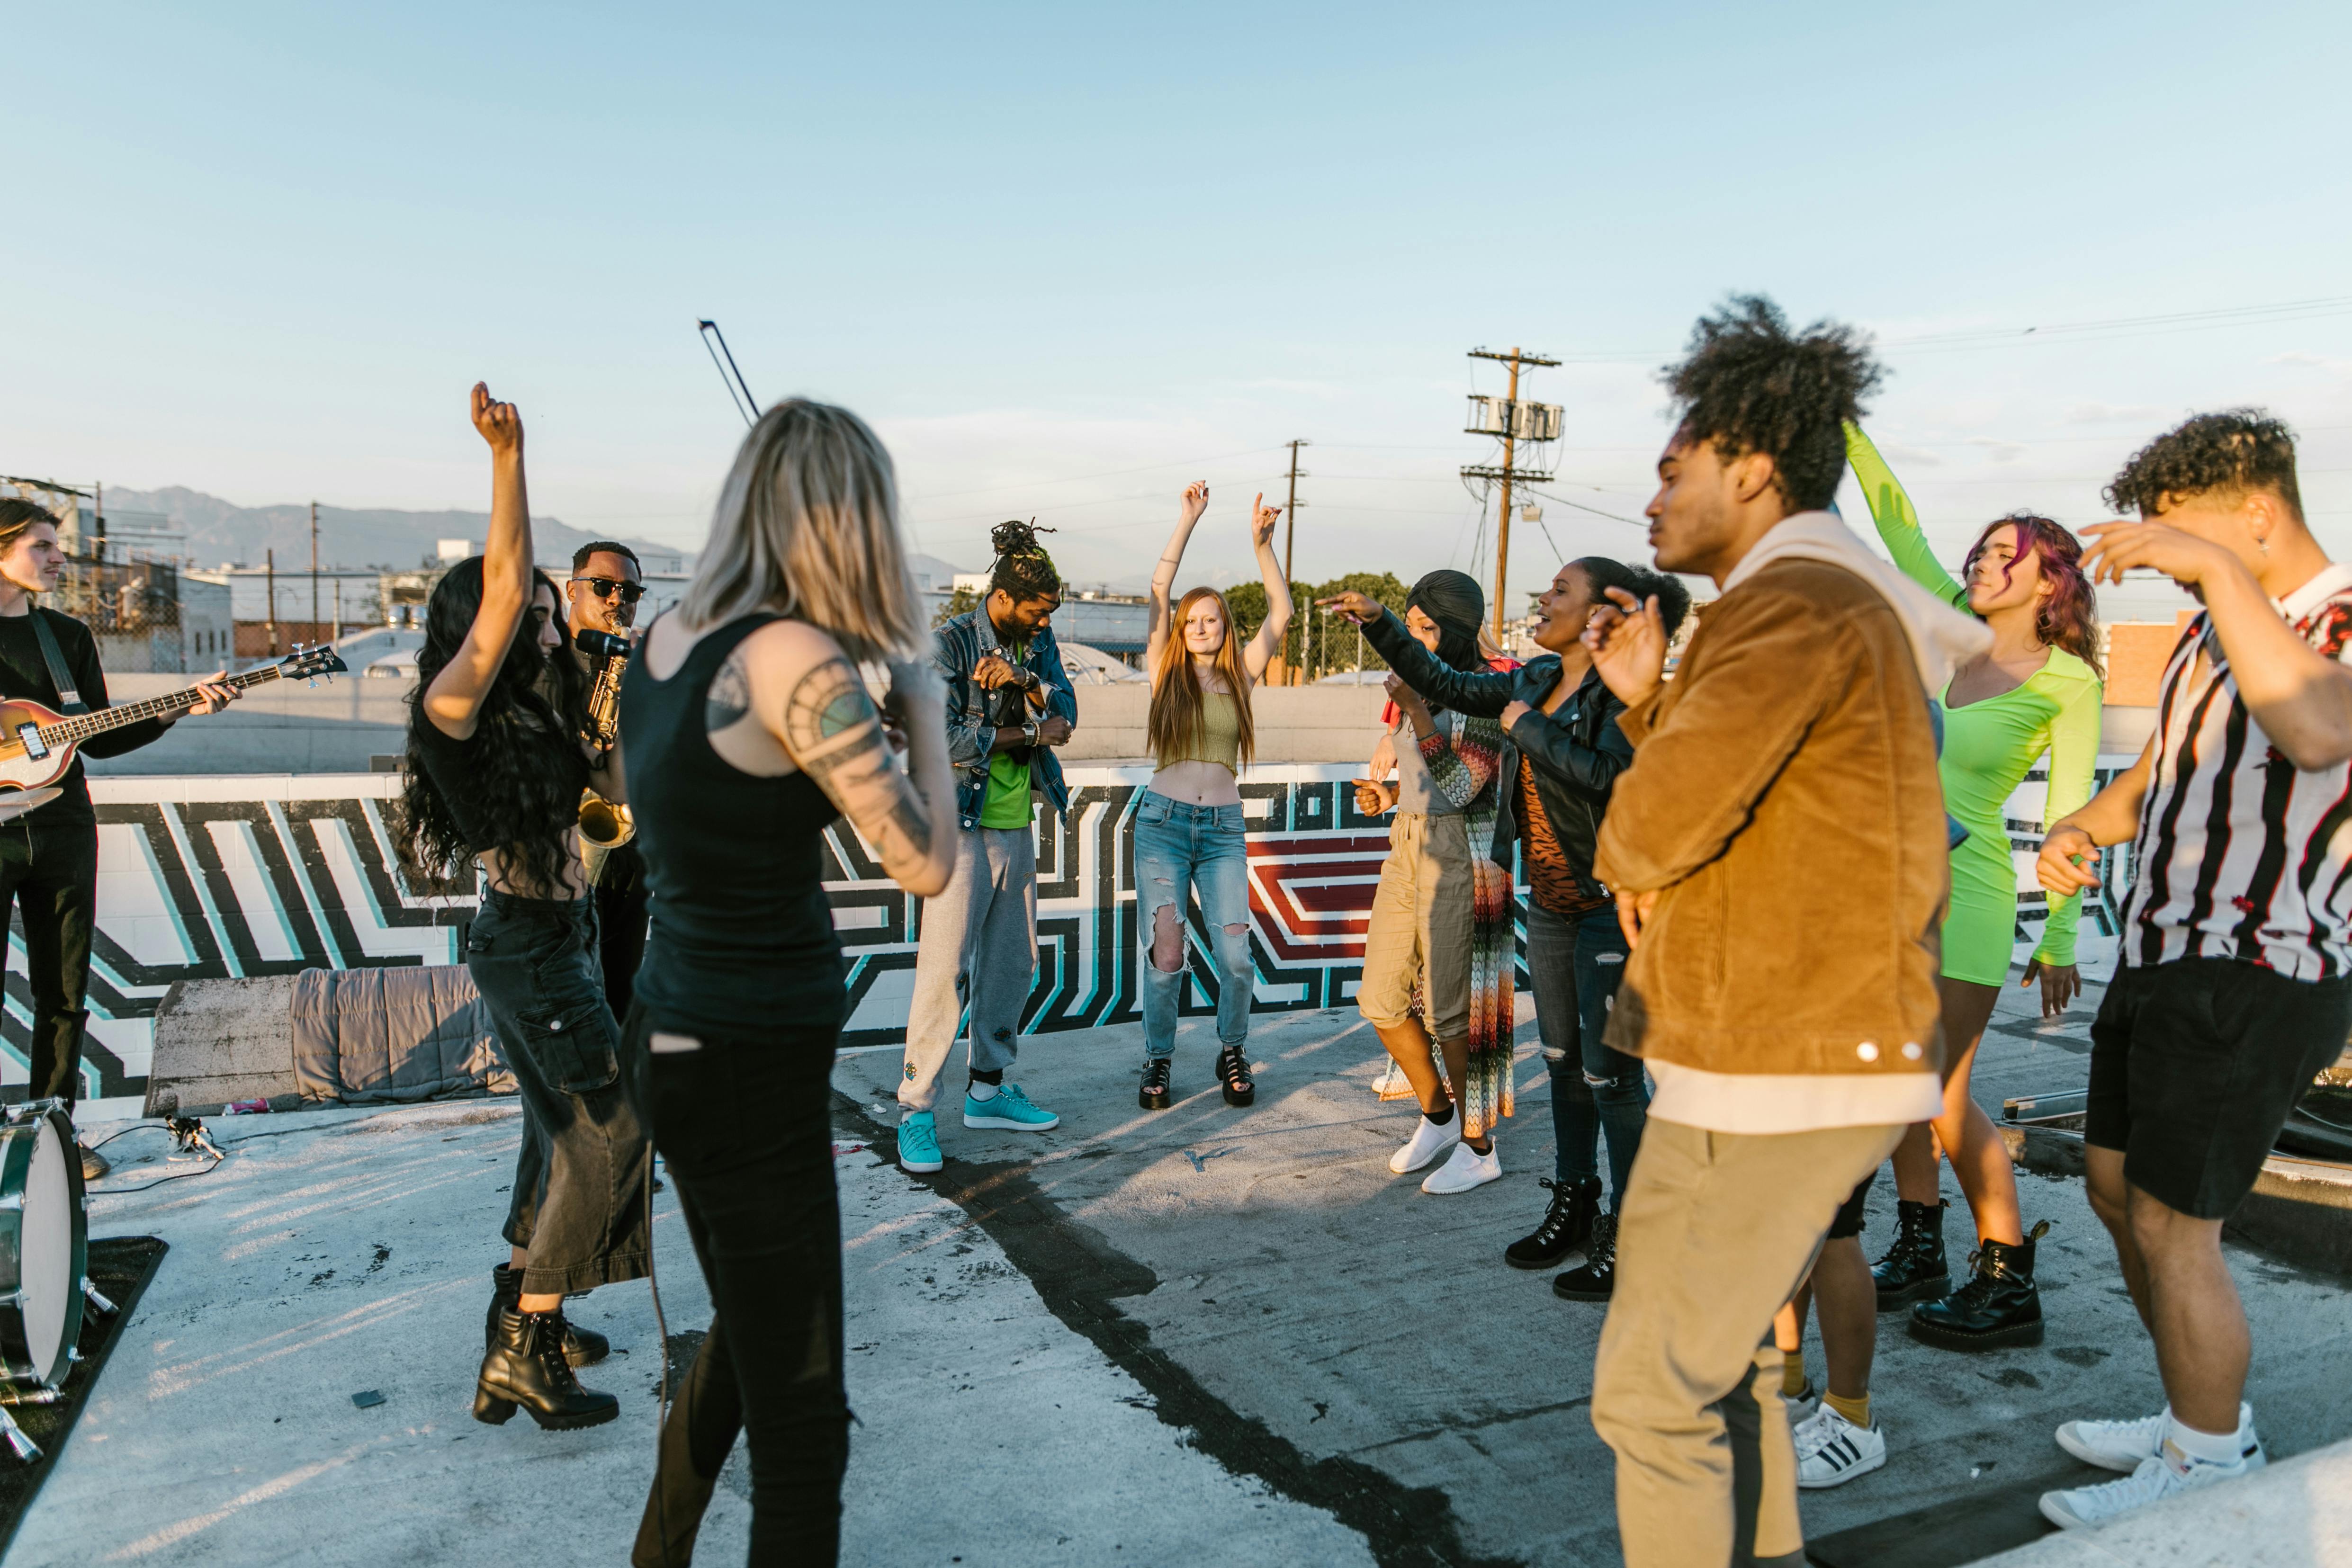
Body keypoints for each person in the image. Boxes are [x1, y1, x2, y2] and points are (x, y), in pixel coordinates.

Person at [1580, 296, 1989, 1567]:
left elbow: (1647, 833)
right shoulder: (1789, 604)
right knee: (1732, 1376)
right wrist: (1655, 707)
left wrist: (1644, 760)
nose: (1646, 502)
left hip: (1786, 1065)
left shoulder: (1790, 605)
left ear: (1750, 466)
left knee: (1650, 1396)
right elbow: (1727, 815)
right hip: (1739, 1057)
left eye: (1669, 467)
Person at [613, 398, 955, 1566]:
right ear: (850, 518)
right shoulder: (799, 663)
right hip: (749, 1063)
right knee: (805, 1421)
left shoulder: (665, 637)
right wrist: (924, 709)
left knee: (749, 1344)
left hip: (674, 1036)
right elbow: (924, 862)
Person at [2030, 411, 2352, 1531]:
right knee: (2119, 1195)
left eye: (2178, 532)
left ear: (2254, 516)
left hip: (2258, 964)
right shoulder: (2209, 630)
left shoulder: (2334, 618)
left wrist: (2214, 572)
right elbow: (2163, 778)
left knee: (2177, 1223)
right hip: (2161, 952)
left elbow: (2316, 732)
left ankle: (2209, 1458)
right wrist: (2085, 820)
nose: (2156, 555)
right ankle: (2192, 1411)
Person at [1329, 558, 1690, 1295]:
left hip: (1610, 902)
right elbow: (1449, 686)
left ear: (1599, 618)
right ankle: (1574, 1202)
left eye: (1560, 591)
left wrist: (1527, 726)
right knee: (1561, 1060)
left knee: (1613, 1079)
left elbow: (1607, 776)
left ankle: (1637, 1232)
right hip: (1553, 904)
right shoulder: (1529, 679)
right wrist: (1378, 622)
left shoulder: (1624, 694)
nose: (1542, 598)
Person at [398, 385, 650, 1433]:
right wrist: (510, 458)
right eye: (533, 618)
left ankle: (526, 1310)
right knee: (613, 1128)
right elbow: (507, 590)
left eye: (555, 619)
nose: (549, 629)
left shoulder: (535, 715)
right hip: (530, 945)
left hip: (565, 935)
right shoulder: (450, 707)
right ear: (477, 629)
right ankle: (524, 1341)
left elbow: (611, 813)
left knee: (554, 1138)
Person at [1845, 424, 2105, 1349]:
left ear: (2050, 582)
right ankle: (1919, 1243)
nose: (1984, 561)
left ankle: (2007, 1275)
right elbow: (1893, 518)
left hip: (1968, 894)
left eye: (2009, 553)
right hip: (1883, 887)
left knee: (1939, 1089)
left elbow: (2071, 818)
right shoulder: (1945, 617)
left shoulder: (2067, 683)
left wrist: (2061, 936)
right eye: (1983, 549)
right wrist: (1835, 415)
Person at [0, 498, 240, 1180]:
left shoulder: (65, 636)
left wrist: (179, 707)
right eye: (42, 545)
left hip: (64, 827)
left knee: (65, 989)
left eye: (57, 545)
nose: (57, 557)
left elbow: (97, 739)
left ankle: (54, 1129)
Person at [895, 519, 1077, 1174]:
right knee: (944, 970)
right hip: (957, 824)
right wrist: (1030, 733)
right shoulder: (947, 644)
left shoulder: (1039, 643)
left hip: (1013, 823)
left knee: (1013, 960)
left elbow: (1068, 714)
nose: (1044, 621)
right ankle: (916, 1108)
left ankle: (987, 1090)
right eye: (1037, 609)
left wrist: (1026, 687)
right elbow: (936, 740)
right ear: (1003, 597)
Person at [1344, 571, 1517, 1195]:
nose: (1414, 640)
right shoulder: (1418, 686)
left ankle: (1479, 1146)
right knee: (1380, 998)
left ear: (1456, 629)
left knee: (1451, 1014)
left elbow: (1462, 788)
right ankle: (1438, 1116)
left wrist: (1417, 710)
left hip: (1460, 858)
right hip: (1408, 845)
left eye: (1425, 628)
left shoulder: (1487, 694)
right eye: (1409, 627)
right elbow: (1422, 782)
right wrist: (1387, 794)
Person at [1134, 483, 1291, 1109]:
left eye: (1211, 619)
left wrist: (1261, 545)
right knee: (1166, 955)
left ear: (1225, 626)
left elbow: (1280, 611)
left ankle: (1232, 1048)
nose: (1199, 627)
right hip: (1163, 825)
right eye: (1191, 620)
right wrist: (1186, 519)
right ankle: (1158, 1056)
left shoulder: (1239, 676)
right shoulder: (1163, 670)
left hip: (1222, 828)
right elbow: (1156, 591)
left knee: (1235, 954)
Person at [565, 540, 650, 1020]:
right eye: (604, 587)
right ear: (570, 590)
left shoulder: (640, 667)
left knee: (620, 1001)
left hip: (628, 856)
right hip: (558, 862)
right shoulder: (546, 664)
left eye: (631, 591)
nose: (619, 600)